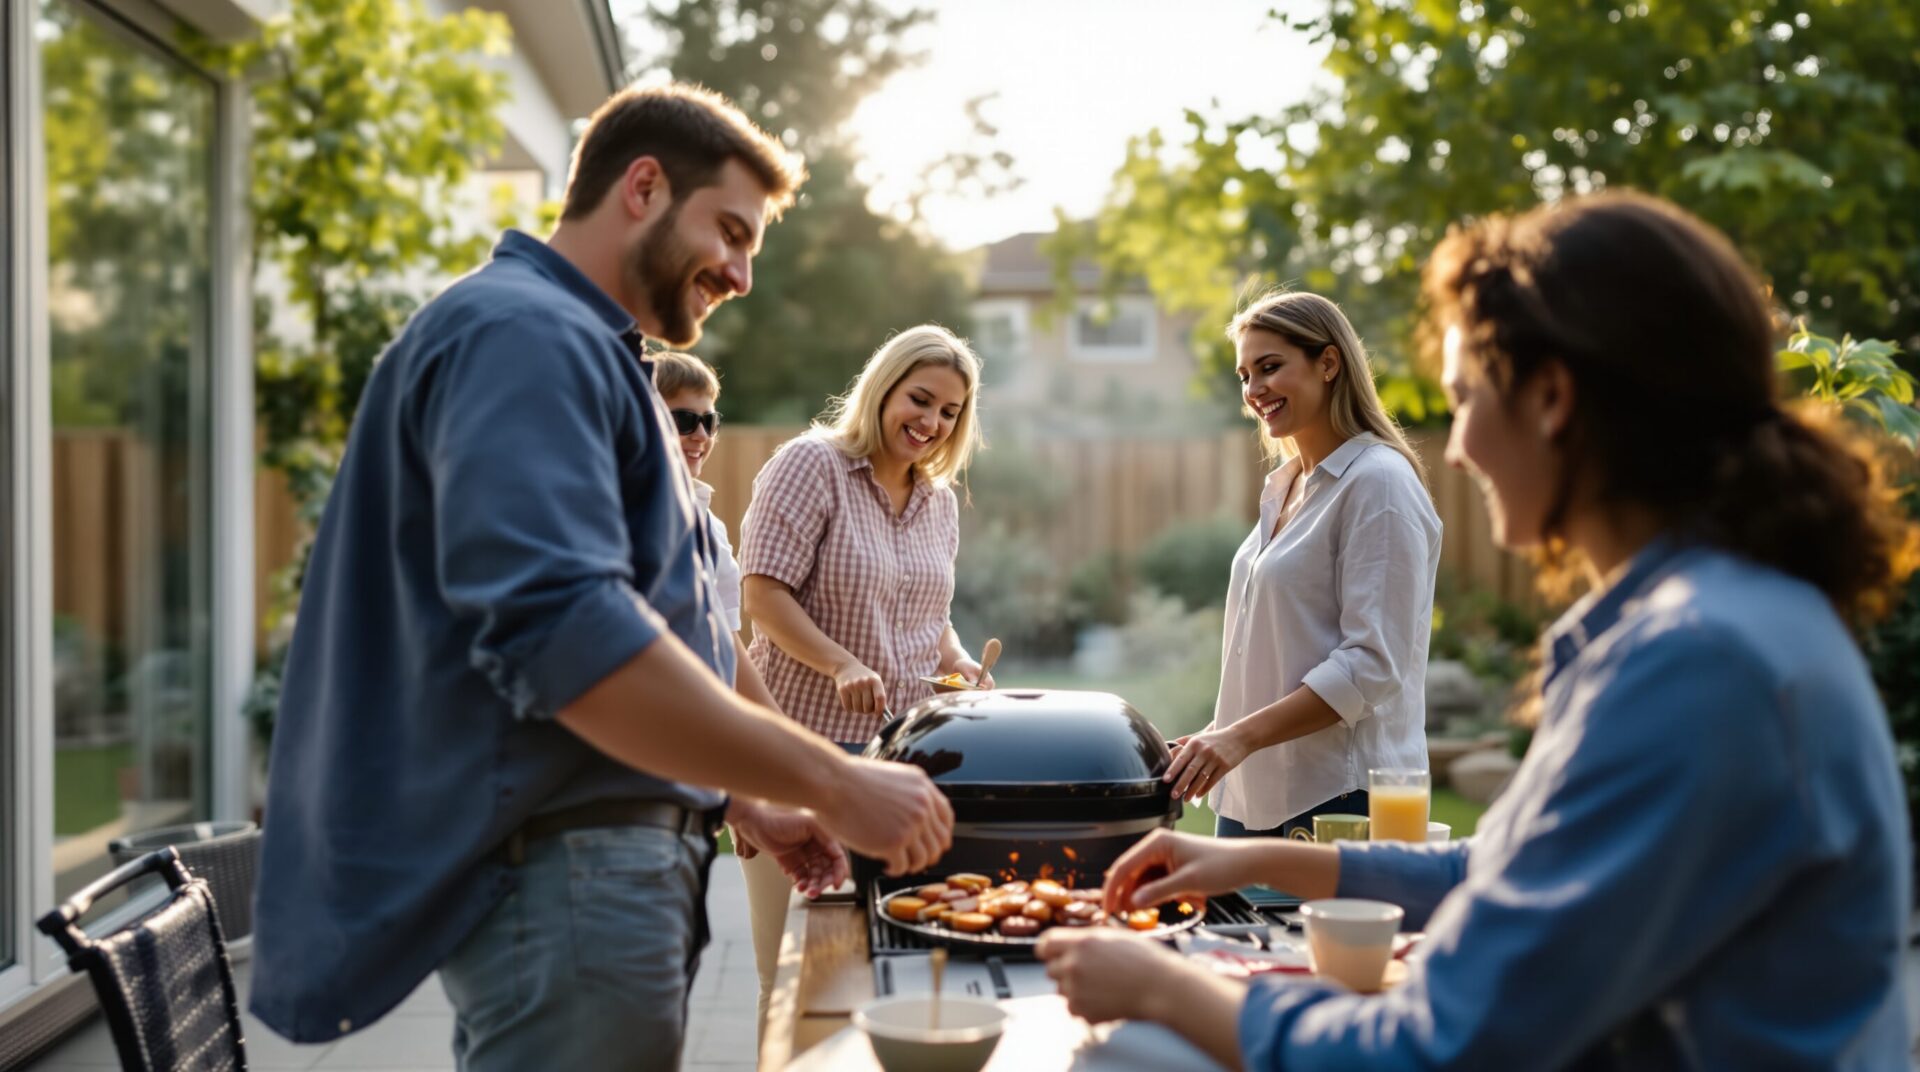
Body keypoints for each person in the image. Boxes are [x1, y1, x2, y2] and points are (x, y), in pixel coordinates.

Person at [1038, 191, 1915, 1069]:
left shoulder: (1698, 664)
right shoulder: (1723, 622)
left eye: (1463, 400)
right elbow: (1495, 869)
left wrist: (1168, 989)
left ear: (1552, 398)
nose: (1455, 449)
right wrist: (1245, 862)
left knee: (1123, 1053)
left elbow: (1445, 1047)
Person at [249, 84, 954, 1072]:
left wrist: (747, 794)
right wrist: (835, 780)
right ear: (644, 187)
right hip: (566, 876)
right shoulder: (522, 336)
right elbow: (568, 636)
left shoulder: (604, 359)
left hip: (593, 873)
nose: (743, 274)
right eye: (731, 232)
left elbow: (690, 619)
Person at [736, 324, 993, 1016]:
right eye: (921, 399)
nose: (932, 422)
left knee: (885, 970)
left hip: (901, 764)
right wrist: (840, 662)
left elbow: (929, 614)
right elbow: (762, 594)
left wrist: (958, 661)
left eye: (950, 411)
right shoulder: (810, 465)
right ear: (883, 388)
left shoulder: (939, 500)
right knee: (796, 980)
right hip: (798, 753)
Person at [1163, 292, 1441, 838]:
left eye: (1269, 367)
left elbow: (1370, 665)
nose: (1253, 390)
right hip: (1252, 795)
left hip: (1339, 797)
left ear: (1328, 363)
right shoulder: (1287, 487)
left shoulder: (1379, 483)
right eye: (1245, 376)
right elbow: (1285, 655)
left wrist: (1239, 737)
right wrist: (1218, 733)